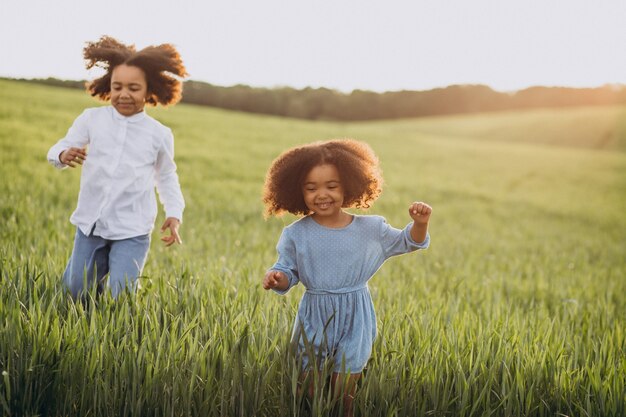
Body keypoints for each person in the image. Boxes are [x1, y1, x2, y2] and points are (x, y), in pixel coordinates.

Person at [261, 139, 432, 416]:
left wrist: (420, 224)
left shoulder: (371, 228)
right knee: (309, 390)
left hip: (356, 312)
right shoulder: (295, 234)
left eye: (332, 186)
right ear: (296, 190)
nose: (322, 194)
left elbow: (408, 242)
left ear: (349, 185)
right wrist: (277, 278)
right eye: (311, 188)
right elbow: (288, 272)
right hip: (314, 313)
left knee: (344, 391)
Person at [47, 36, 187, 299]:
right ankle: (79, 287)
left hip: (132, 229)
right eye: (117, 86)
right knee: (76, 294)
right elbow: (60, 147)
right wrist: (63, 154)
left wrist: (174, 213)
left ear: (148, 91)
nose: (124, 94)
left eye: (133, 88)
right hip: (92, 224)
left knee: (119, 298)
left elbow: (167, 176)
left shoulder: (159, 134)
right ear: (108, 87)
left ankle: (111, 328)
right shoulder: (92, 119)